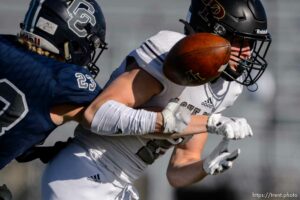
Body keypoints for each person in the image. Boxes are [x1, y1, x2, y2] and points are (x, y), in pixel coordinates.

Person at [41, 0, 272, 199]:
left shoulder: (227, 88)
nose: (248, 53)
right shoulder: (170, 53)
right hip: (83, 171)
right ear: (213, 32)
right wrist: (210, 123)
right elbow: (97, 113)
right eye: (240, 41)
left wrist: (204, 166)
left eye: (251, 43)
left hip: (121, 185)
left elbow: (178, 170)